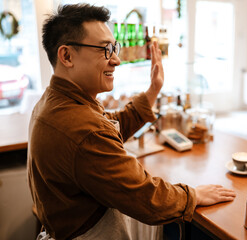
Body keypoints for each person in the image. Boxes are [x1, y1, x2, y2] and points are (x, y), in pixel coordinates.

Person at [27, 3, 236, 240]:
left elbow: (107, 126)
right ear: (66, 56)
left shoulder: (55, 101)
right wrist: (193, 196)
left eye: (114, 48)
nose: (116, 60)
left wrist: (153, 91)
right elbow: (145, 196)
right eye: (105, 49)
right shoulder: (81, 129)